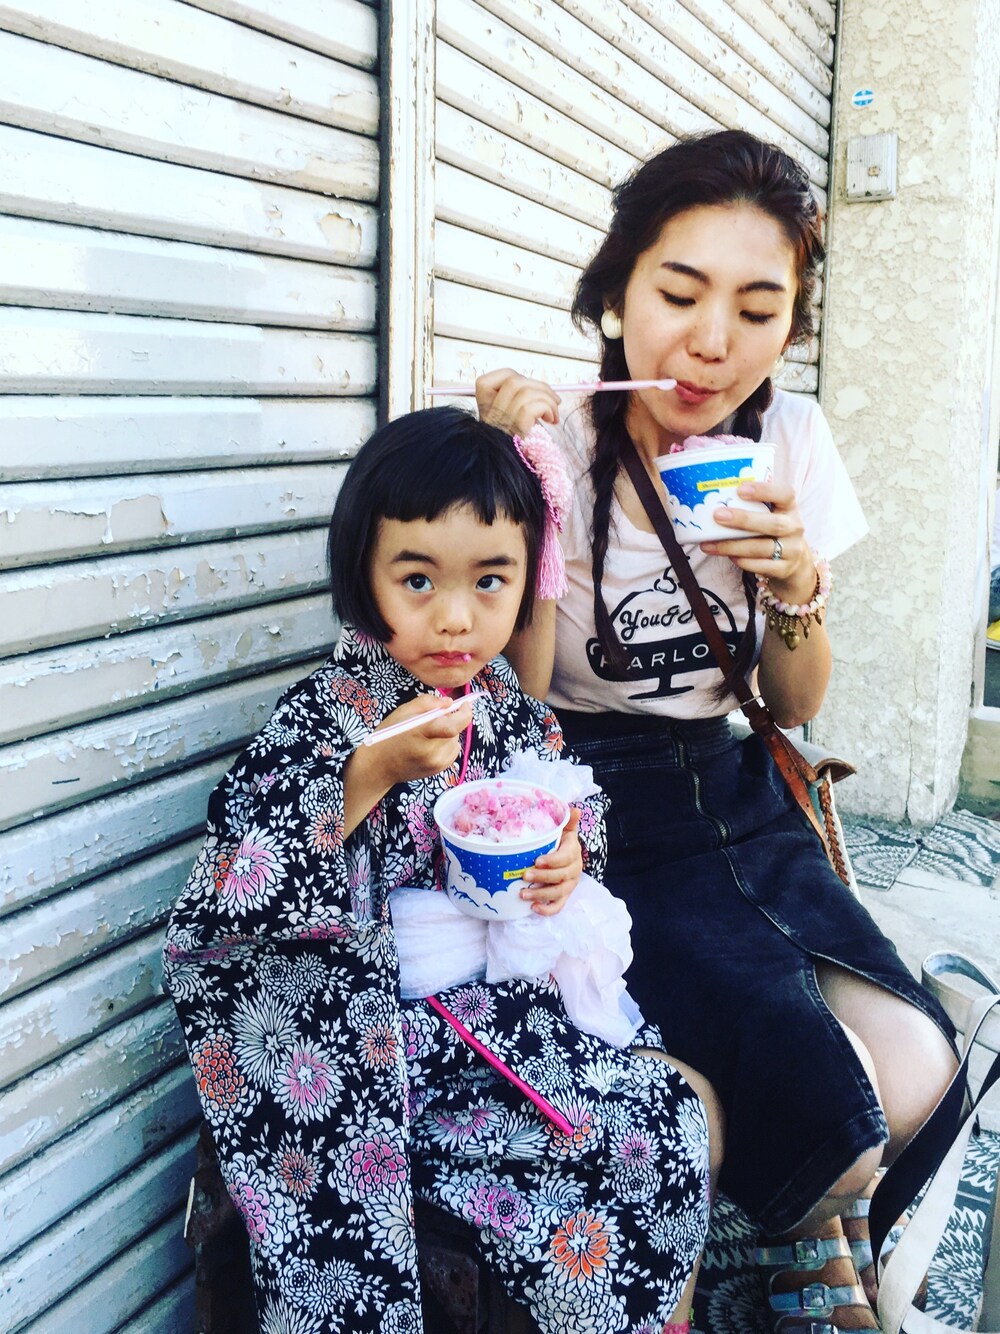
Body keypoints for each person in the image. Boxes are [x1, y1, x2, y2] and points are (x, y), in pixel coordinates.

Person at [476, 129, 959, 1329]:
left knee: (918, 1070)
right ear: (616, 291)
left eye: (756, 309)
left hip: (735, 789)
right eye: (679, 293)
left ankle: (808, 1224)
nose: (711, 341)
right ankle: (810, 1248)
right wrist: (526, 497)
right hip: (597, 809)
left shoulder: (789, 442)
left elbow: (792, 703)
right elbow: (517, 698)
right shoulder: (553, 441)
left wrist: (792, 584)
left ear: (790, 325)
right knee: (835, 1112)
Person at [163, 406, 722, 1334]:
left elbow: (567, 799)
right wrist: (363, 777)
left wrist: (569, 853)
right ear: (364, 574)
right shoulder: (326, 713)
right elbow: (224, 898)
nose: (456, 617)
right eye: (417, 579)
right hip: (380, 1046)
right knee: (604, 1157)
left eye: (490, 579)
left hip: (498, 1016)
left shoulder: (505, 703)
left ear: (529, 580)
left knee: (669, 1118)